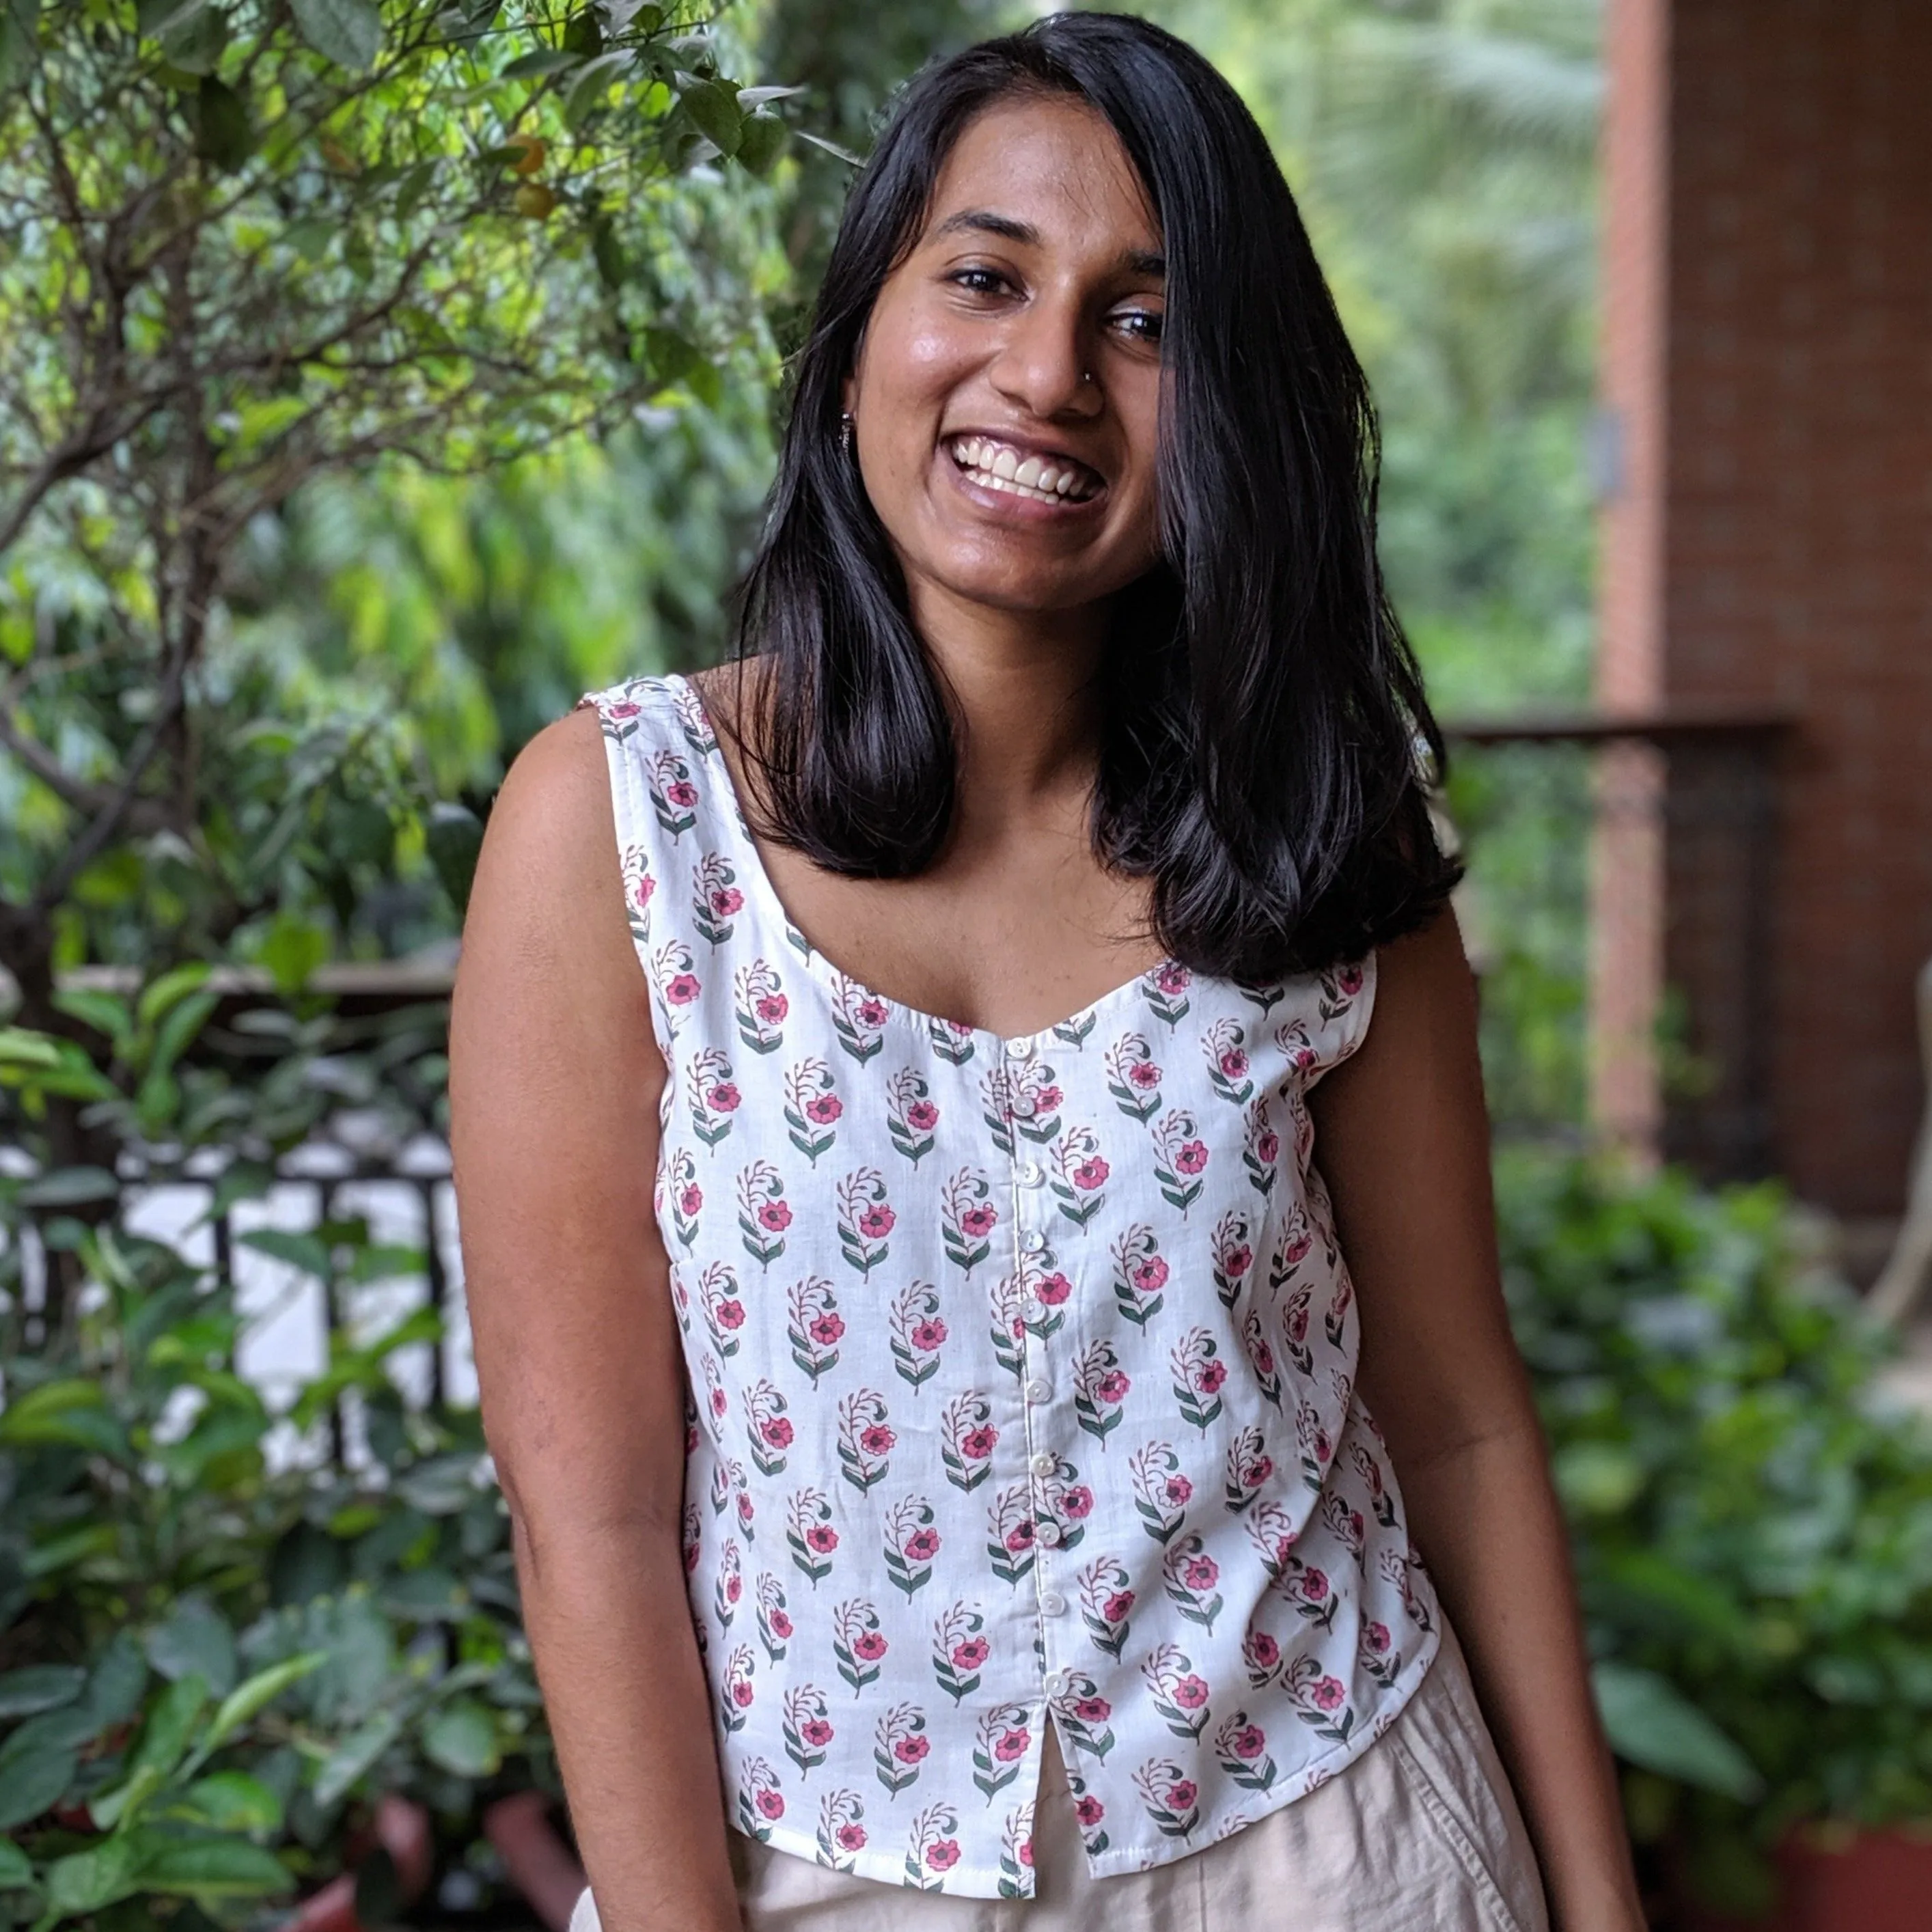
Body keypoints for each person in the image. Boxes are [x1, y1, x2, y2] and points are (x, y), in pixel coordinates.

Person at [449, 14, 1647, 1931]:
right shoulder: (615, 827)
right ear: (859, 335)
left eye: (1146, 323)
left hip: (1336, 1850)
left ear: (1234, 403)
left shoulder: (1314, 842)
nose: (1046, 376)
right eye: (985, 277)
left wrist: (1598, 1907)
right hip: (815, 1873)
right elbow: (588, 1515)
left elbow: (1458, 1416)